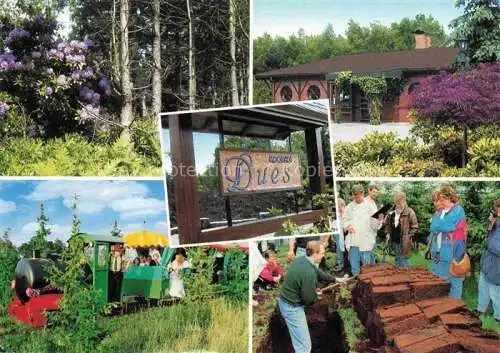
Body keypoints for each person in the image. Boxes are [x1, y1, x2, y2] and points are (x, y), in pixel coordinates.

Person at [279, 241, 326, 353]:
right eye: (322, 253)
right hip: (292, 308)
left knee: (300, 343)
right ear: (315, 253)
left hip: (286, 303)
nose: (323, 255)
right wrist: (315, 295)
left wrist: (334, 279)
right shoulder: (308, 272)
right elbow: (309, 300)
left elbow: (319, 273)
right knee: (304, 346)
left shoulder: (302, 260)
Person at [429, 185, 468, 299]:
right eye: (439, 199)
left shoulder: (458, 210)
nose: (440, 202)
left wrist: (439, 225)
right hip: (441, 250)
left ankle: (454, 306)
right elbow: (433, 228)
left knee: (455, 280)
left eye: (442, 199)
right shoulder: (440, 211)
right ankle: (444, 304)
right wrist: (439, 225)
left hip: (454, 250)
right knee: (440, 278)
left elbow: (447, 226)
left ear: (450, 198)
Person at [343, 184, 383, 276]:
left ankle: (368, 284)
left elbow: (375, 226)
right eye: (355, 196)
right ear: (353, 195)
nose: (357, 199)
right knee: (354, 267)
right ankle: (357, 282)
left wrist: (379, 220)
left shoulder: (370, 205)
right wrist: (347, 226)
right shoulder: (349, 206)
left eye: (359, 196)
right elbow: (344, 220)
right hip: (353, 242)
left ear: (363, 193)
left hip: (365, 242)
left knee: (367, 267)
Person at [477, 200, 500, 322]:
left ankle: (498, 317)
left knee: (496, 294)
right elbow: (489, 237)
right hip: (487, 263)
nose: (497, 211)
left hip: (497, 267)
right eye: (497, 209)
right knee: (483, 288)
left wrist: (489, 244)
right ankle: (481, 309)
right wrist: (491, 224)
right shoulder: (496, 225)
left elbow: (496, 247)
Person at [383, 191, 418, 268]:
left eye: (400, 203)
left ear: (404, 201)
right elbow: (387, 224)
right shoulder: (391, 212)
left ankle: (409, 275)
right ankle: (399, 275)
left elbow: (415, 227)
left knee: (404, 260)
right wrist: (388, 233)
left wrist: (407, 236)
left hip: (404, 241)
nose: (398, 205)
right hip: (394, 240)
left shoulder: (410, 212)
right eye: (396, 203)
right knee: (397, 258)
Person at [333, 198, 346, 272]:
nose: (340, 208)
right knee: (339, 246)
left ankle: (343, 264)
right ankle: (340, 264)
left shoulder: (345, 211)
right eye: (339, 206)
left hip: (345, 230)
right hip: (338, 230)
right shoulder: (336, 213)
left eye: (342, 205)